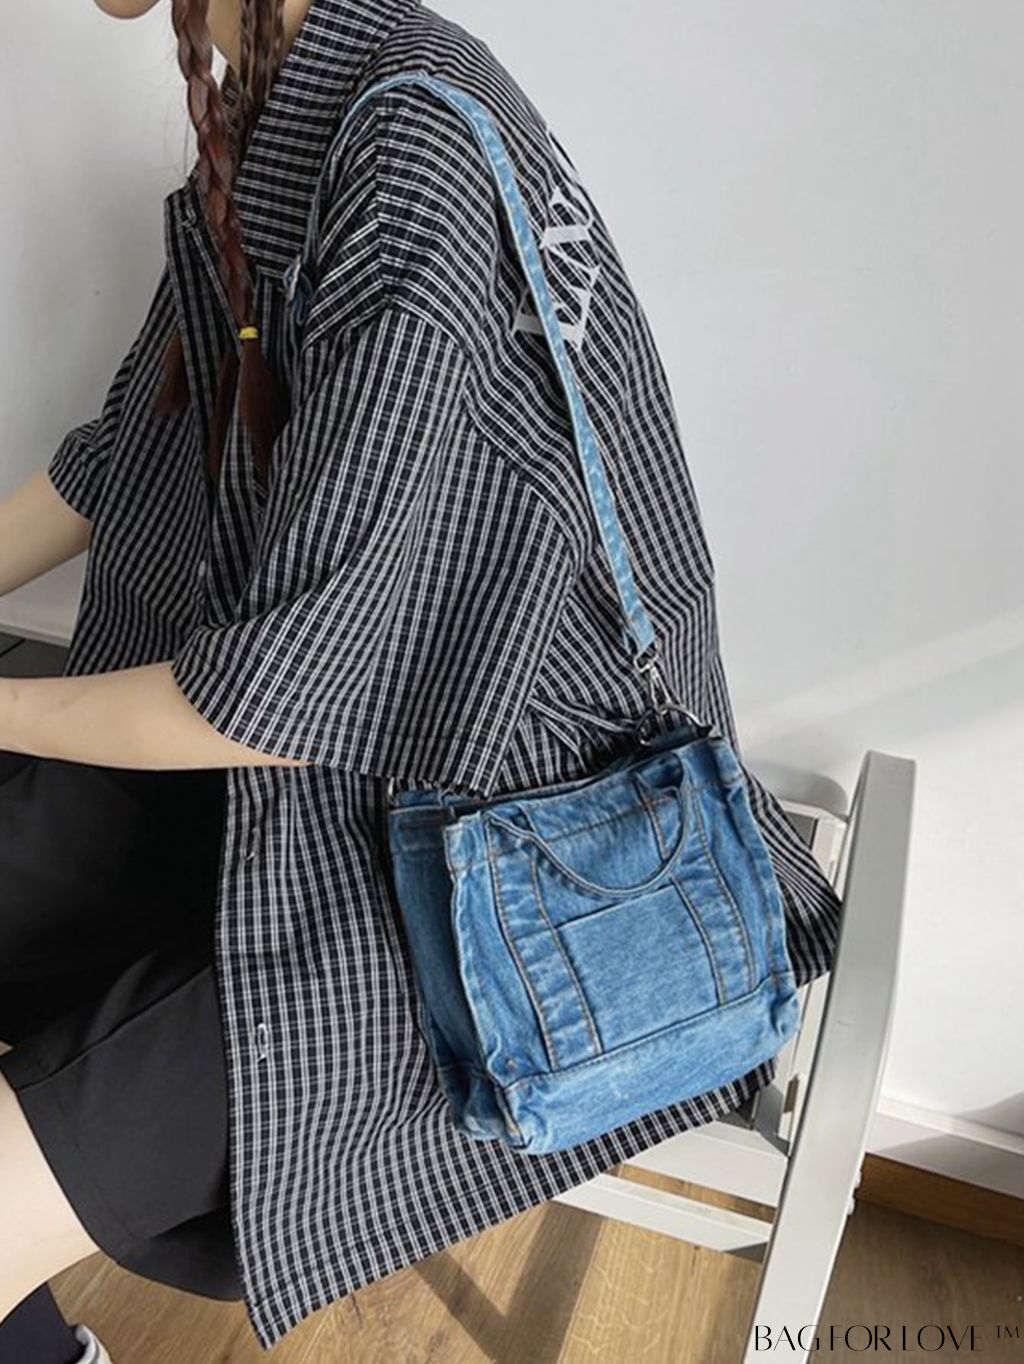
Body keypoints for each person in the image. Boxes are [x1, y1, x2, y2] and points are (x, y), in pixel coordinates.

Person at [0, 0, 843, 1358]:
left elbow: (288, 687)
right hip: (310, 791)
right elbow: (124, 456)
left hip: (469, 880)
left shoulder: (410, 151)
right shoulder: (294, 113)